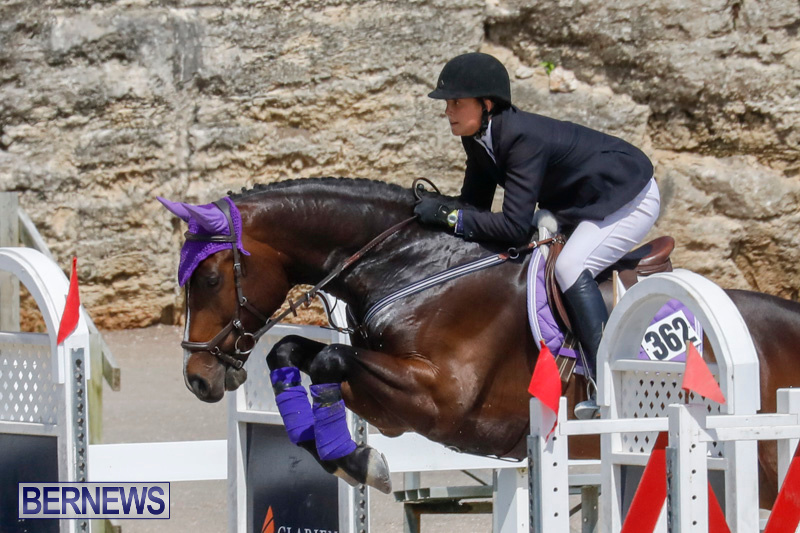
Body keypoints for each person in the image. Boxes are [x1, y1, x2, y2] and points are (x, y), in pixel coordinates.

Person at [415, 52, 660, 419]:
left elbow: (512, 227)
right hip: (582, 201)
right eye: (447, 103)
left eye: (456, 102)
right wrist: (439, 210)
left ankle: (609, 384)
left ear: (486, 104)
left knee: (570, 265)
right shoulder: (477, 138)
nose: (448, 111)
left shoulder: (520, 137)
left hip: (629, 195)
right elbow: (474, 206)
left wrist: (449, 216)